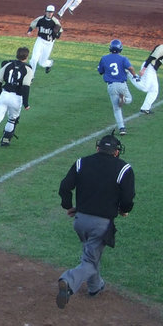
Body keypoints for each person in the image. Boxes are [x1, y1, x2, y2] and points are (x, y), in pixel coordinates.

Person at [56, 132, 135, 309]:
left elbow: (65, 187)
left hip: (80, 221)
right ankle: (68, 281)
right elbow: (128, 198)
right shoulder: (123, 168)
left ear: (98, 148)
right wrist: (123, 210)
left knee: (91, 253)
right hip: (101, 224)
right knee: (90, 261)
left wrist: (68, 205)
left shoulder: (81, 162)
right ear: (116, 152)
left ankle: (95, 287)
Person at [0, 46, 33, 147]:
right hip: (17, 98)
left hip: (4, 94)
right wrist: (26, 104)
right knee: (12, 119)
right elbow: (26, 87)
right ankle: (5, 139)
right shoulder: (28, 69)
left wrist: (0, 92)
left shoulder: (8, 64)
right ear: (26, 57)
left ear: (16, 55)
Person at [97, 39, 140, 136]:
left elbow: (100, 71)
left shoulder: (104, 58)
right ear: (120, 49)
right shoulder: (123, 59)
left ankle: (122, 128)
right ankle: (123, 99)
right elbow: (130, 68)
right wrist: (134, 76)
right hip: (122, 84)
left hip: (111, 86)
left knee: (116, 109)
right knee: (129, 99)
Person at [131, 33, 163, 115]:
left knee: (154, 90)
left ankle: (145, 108)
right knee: (145, 88)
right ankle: (131, 74)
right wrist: (144, 68)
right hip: (149, 67)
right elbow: (152, 57)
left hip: (152, 69)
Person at [26, 4, 63, 74]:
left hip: (49, 43)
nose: (50, 13)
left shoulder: (55, 21)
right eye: (48, 12)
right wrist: (29, 31)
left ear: (53, 13)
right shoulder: (40, 19)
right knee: (34, 59)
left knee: (42, 63)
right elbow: (33, 24)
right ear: (45, 12)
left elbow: (60, 30)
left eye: (51, 12)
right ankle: (31, 76)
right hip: (40, 40)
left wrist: (57, 35)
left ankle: (49, 63)